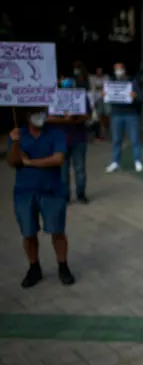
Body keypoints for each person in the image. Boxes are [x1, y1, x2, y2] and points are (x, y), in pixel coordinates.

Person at [7, 107, 75, 288]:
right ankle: (34, 267)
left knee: (57, 231)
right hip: (24, 192)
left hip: (52, 191)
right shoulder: (18, 134)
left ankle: (63, 266)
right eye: (36, 112)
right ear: (27, 115)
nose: (41, 116)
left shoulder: (56, 133)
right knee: (28, 233)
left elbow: (58, 159)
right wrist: (15, 143)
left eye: (43, 111)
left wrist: (29, 162)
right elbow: (13, 162)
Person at [47, 78, 91, 203]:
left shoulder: (81, 97)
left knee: (80, 169)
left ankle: (81, 194)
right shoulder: (52, 97)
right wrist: (64, 120)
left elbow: (87, 116)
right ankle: (65, 196)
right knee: (62, 171)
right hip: (60, 141)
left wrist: (75, 118)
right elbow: (47, 118)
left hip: (79, 139)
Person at [105, 62, 143, 173]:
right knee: (116, 139)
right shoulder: (111, 83)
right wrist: (105, 95)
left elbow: (140, 97)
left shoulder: (132, 81)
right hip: (116, 113)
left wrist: (135, 96)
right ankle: (115, 162)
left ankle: (137, 160)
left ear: (124, 70)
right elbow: (108, 98)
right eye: (116, 69)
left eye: (120, 68)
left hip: (131, 113)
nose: (118, 71)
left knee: (135, 139)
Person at [89, 67, 109, 141]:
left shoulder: (106, 77)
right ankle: (99, 134)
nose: (99, 72)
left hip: (105, 99)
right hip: (96, 99)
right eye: (98, 70)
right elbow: (92, 89)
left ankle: (104, 131)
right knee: (97, 117)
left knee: (106, 115)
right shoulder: (92, 78)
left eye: (100, 70)